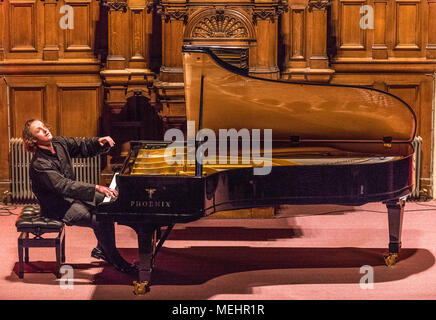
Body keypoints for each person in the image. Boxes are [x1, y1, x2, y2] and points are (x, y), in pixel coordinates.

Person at [22, 119, 136, 273]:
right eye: (39, 130)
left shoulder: (59, 143)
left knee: (108, 201)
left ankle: (102, 248)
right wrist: (96, 187)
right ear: (33, 140)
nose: (45, 129)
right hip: (58, 207)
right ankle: (115, 259)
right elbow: (64, 186)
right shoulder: (39, 163)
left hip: (73, 197)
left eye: (43, 126)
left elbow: (81, 145)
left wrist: (98, 142)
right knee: (99, 218)